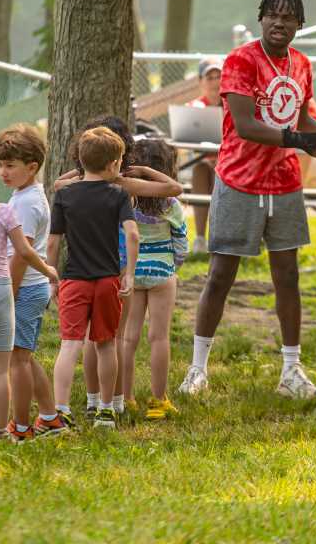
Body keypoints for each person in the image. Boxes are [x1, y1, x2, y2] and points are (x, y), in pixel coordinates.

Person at [178, 0, 316, 399]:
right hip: (239, 180)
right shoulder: (241, 61)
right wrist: (303, 142)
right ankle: (197, 369)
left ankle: (291, 370)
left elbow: (300, 113)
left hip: (285, 182)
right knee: (220, 275)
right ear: (261, 19)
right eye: (272, 15)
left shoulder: (302, 64)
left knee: (288, 276)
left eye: (288, 18)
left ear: (299, 26)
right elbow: (246, 124)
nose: (279, 23)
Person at [56, 115, 181, 420]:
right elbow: (173, 189)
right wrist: (146, 171)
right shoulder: (123, 184)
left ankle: (94, 397)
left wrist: (83, 168)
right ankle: (116, 402)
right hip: (118, 268)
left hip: (93, 268)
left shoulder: (73, 187)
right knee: (110, 337)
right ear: (120, 155)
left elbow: (58, 184)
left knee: (94, 339)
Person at [47, 127, 139, 429]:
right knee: (106, 344)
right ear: (114, 164)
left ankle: (60, 409)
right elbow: (133, 234)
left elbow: (54, 241)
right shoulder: (119, 194)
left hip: (74, 279)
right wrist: (129, 273)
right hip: (108, 280)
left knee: (70, 344)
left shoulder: (64, 195)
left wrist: (52, 274)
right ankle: (105, 409)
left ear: (81, 162)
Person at [0, 125, 65, 440]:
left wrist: (9, 292)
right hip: (30, 287)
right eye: (1, 165)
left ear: (31, 167)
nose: (3, 172)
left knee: (16, 360)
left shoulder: (26, 202)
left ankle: (21, 428)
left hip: (23, 288)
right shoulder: (24, 194)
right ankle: (49, 417)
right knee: (24, 355)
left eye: (10, 165)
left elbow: (22, 254)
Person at [119, 138, 188, 420]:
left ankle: (126, 397)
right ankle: (158, 400)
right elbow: (181, 244)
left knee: (128, 337)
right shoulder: (171, 204)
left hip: (132, 272)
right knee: (159, 337)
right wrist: (173, 267)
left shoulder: (126, 200)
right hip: (162, 273)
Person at [187, 58, 223, 254]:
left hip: (229, 163)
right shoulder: (194, 106)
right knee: (200, 170)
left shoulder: (234, 104)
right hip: (202, 161)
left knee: (219, 172)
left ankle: (220, 237)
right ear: (201, 81)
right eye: (210, 77)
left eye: (219, 76)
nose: (215, 81)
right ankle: (201, 239)